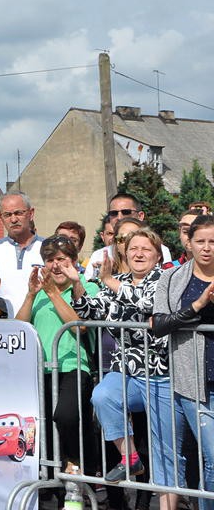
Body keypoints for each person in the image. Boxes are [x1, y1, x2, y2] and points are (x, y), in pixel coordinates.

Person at [71, 228, 180, 503]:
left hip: (160, 374)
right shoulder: (115, 280)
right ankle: (130, 458)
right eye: (133, 249)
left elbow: (148, 303)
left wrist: (109, 281)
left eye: (146, 249)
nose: (139, 253)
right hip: (126, 370)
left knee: (165, 452)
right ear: (124, 253)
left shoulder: (166, 280)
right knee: (103, 395)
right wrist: (77, 284)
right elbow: (91, 311)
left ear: (157, 255)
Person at [15, 235, 99, 475]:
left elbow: (79, 326)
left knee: (66, 417)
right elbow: (20, 327)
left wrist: (53, 294)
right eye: (50, 260)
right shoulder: (40, 291)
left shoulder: (85, 286)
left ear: (73, 261)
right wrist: (31, 295)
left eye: (61, 259)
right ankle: (55, 480)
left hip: (73, 366)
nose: (55, 265)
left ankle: (81, 464)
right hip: (41, 369)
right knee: (42, 426)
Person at [152, 214, 214, 507]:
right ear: (188, 242)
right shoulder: (173, 277)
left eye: (213, 241)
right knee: (213, 457)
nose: (207, 248)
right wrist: (198, 305)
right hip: (195, 380)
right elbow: (159, 324)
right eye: (200, 241)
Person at [0, 192, 44, 312]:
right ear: (0, 218)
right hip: (3, 328)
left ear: (31, 214)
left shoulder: (49, 248)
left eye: (19, 213)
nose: (13, 219)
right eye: (7, 215)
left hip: (41, 326)